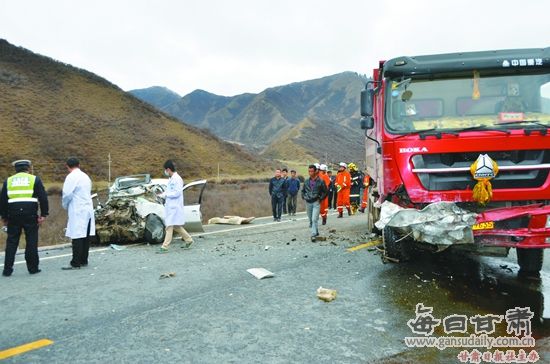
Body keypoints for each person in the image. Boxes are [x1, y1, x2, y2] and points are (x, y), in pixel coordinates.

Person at [1, 160, 48, 276]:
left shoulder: (9, 181)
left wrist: (4, 217)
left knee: (12, 241)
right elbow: (43, 198)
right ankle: (33, 268)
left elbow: (2, 201)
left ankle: (7, 270)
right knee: (31, 241)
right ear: (28, 168)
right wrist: (43, 214)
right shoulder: (34, 179)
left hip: (13, 215)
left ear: (15, 169)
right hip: (30, 214)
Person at [61, 158, 96, 270]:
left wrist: (65, 205)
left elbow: (67, 194)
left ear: (67, 166)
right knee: (85, 235)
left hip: (77, 209)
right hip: (87, 208)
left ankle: (75, 262)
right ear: (79, 165)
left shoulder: (71, 177)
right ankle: (84, 259)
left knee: (77, 236)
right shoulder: (85, 176)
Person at [158, 160, 194, 253]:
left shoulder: (177, 179)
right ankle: (189, 240)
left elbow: (177, 193)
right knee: (176, 226)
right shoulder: (171, 179)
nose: (165, 172)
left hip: (174, 206)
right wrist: (163, 194)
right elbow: (170, 190)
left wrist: (166, 195)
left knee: (169, 226)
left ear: (168, 169)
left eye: (165, 170)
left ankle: (164, 246)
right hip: (171, 206)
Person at [301, 164, 328, 242]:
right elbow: (303, 191)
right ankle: (316, 231)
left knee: (314, 219)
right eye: (309, 171)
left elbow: (325, 192)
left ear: (316, 171)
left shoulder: (321, 181)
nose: (310, 173)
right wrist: (303, 196)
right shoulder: (306, 181)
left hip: (316, 202)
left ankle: (313, 234)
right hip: (308, 202)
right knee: (310, 219)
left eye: (311, 171)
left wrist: (320, 198)